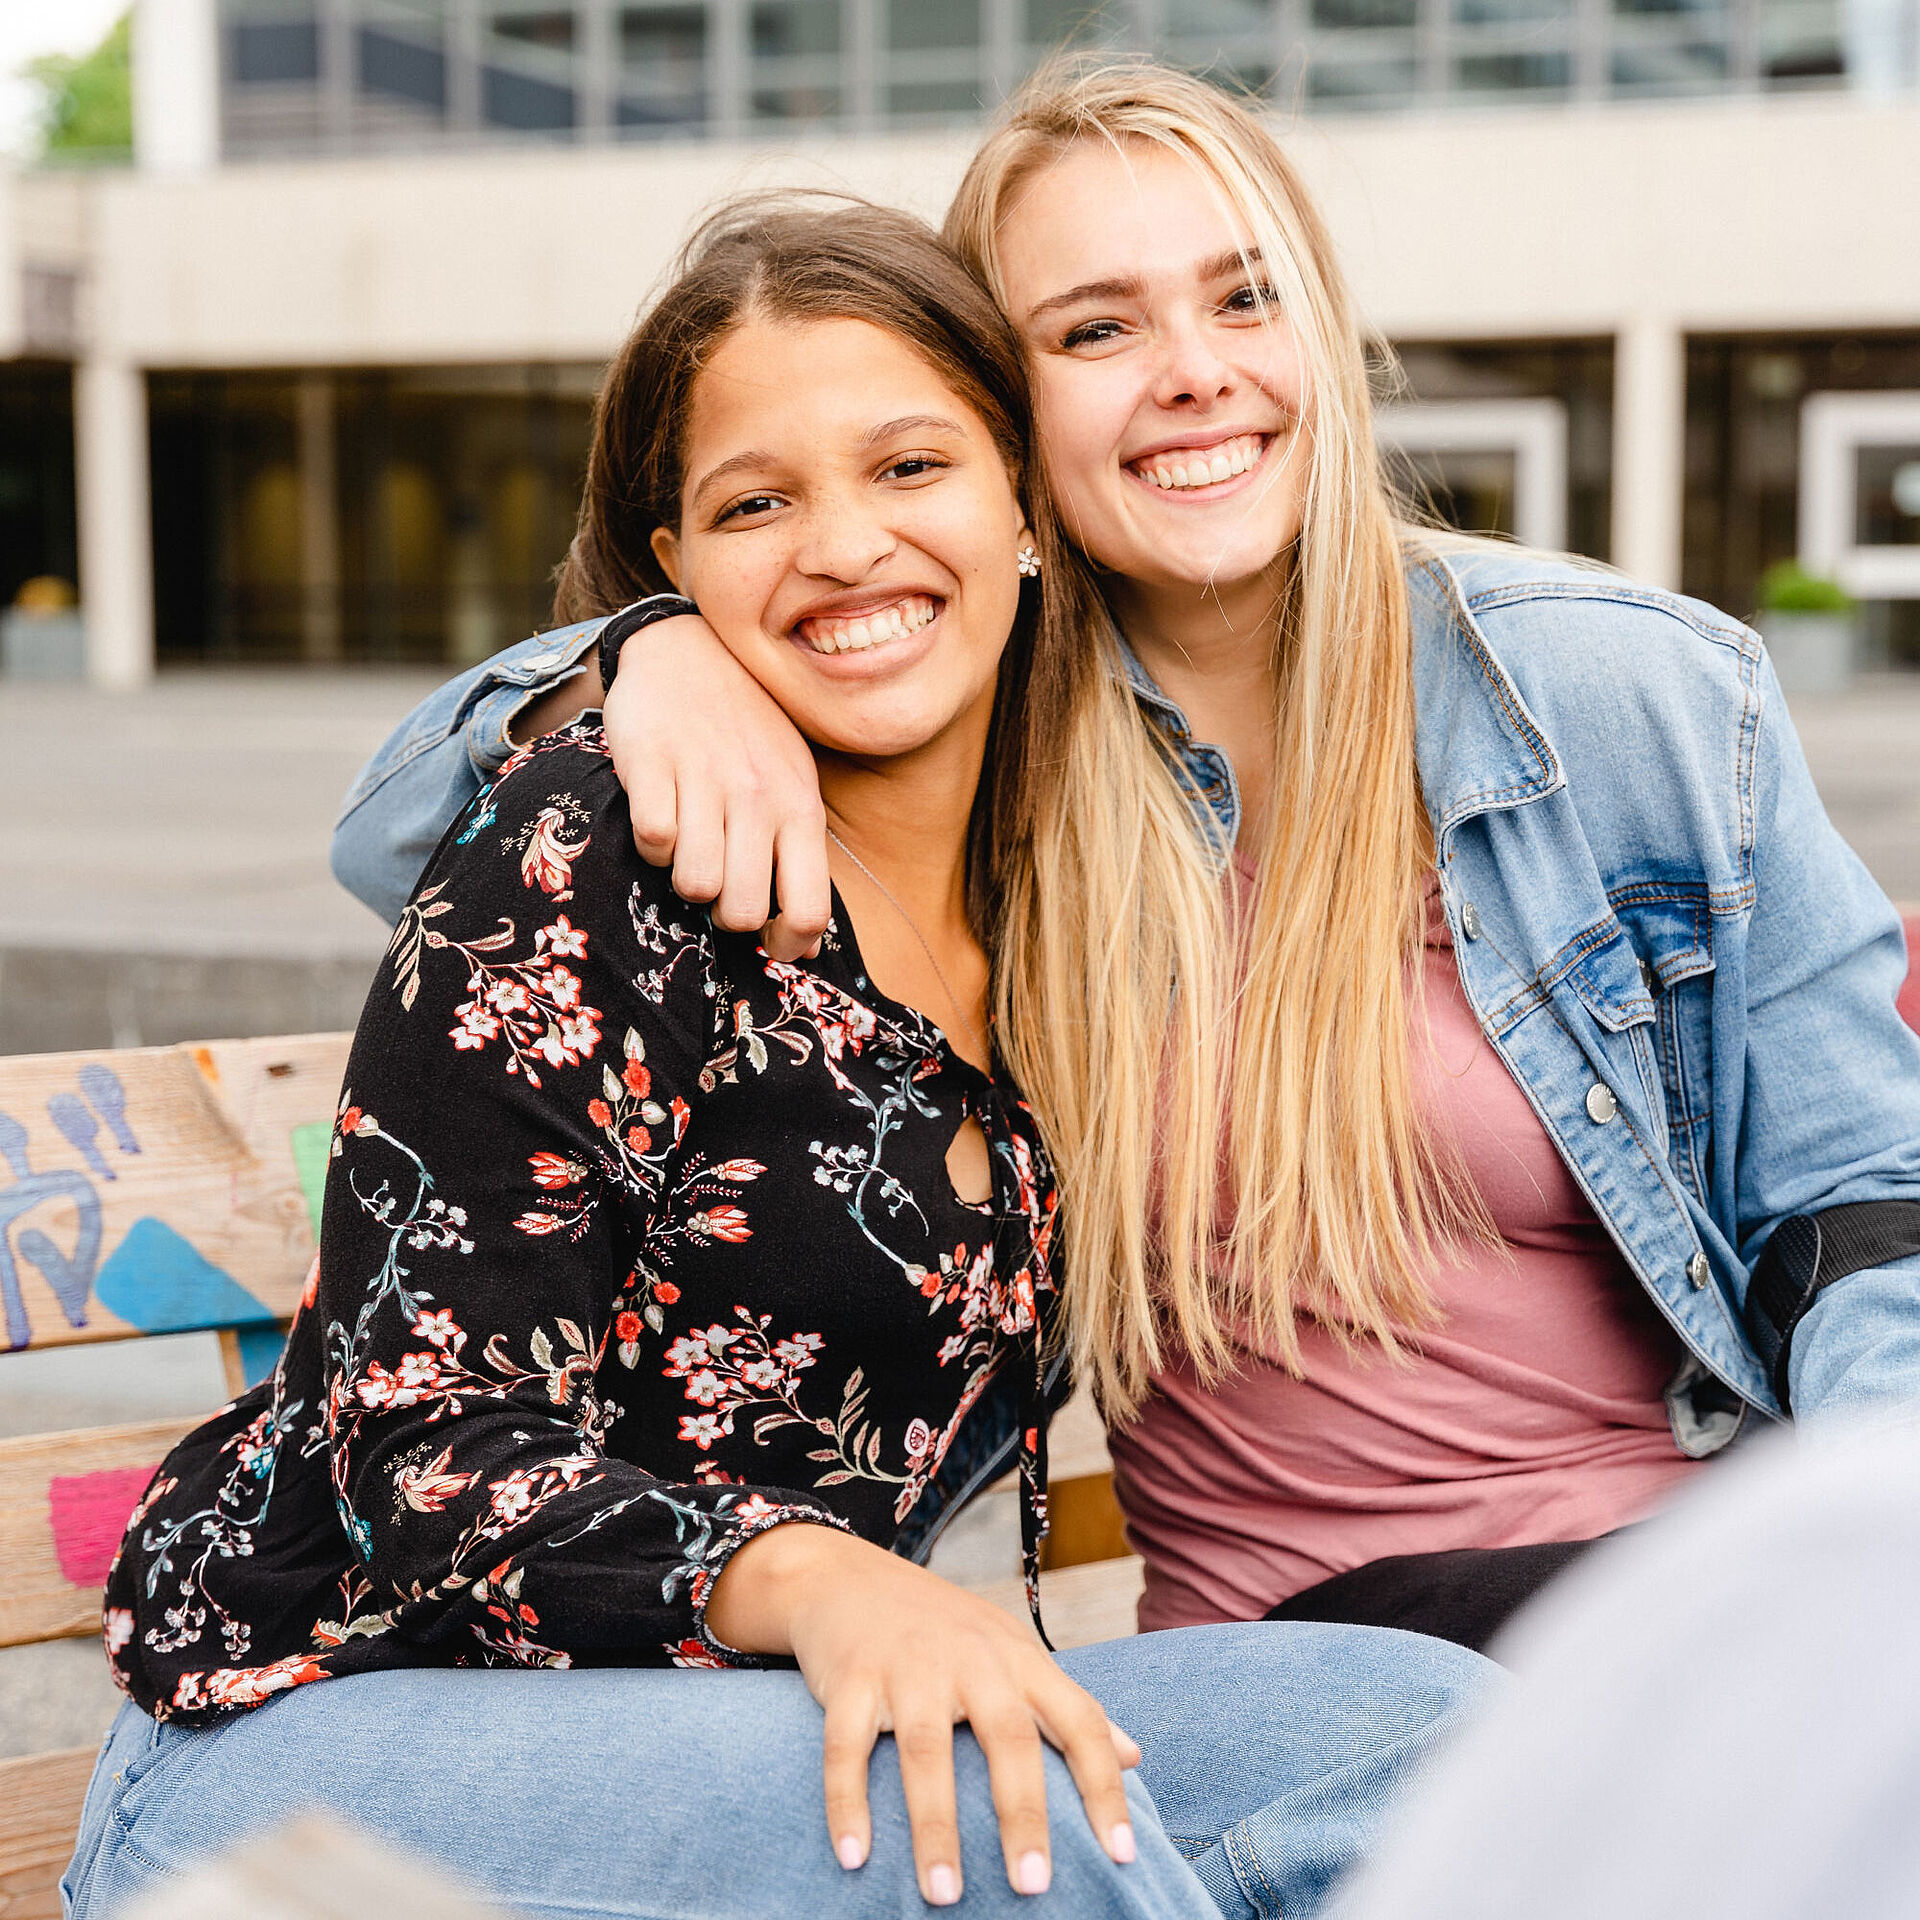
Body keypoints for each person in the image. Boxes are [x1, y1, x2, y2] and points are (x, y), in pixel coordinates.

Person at [331, 62, 1920, 1657]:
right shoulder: (973, 752)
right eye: (1096, 329)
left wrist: (1859, 1570)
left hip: (1709, 1588)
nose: (1192, 375)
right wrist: (641, 659)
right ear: (1007, 425)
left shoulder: (1619, 696)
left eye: (1245, 299)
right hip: (1313, 1661)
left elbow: (1867, 1206)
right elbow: (403, 847)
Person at [71, 201, 1497, 1920]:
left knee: (1439, 1736)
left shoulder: (1071, 900)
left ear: (1027, 512)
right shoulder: (588, 840)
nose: (845, 548)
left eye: (911, 467)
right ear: (677, 561)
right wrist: (822, 1583)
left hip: (728, 1735)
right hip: (321, 1733)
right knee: (1015, 1845)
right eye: (759, 503)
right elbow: (425, 1451)